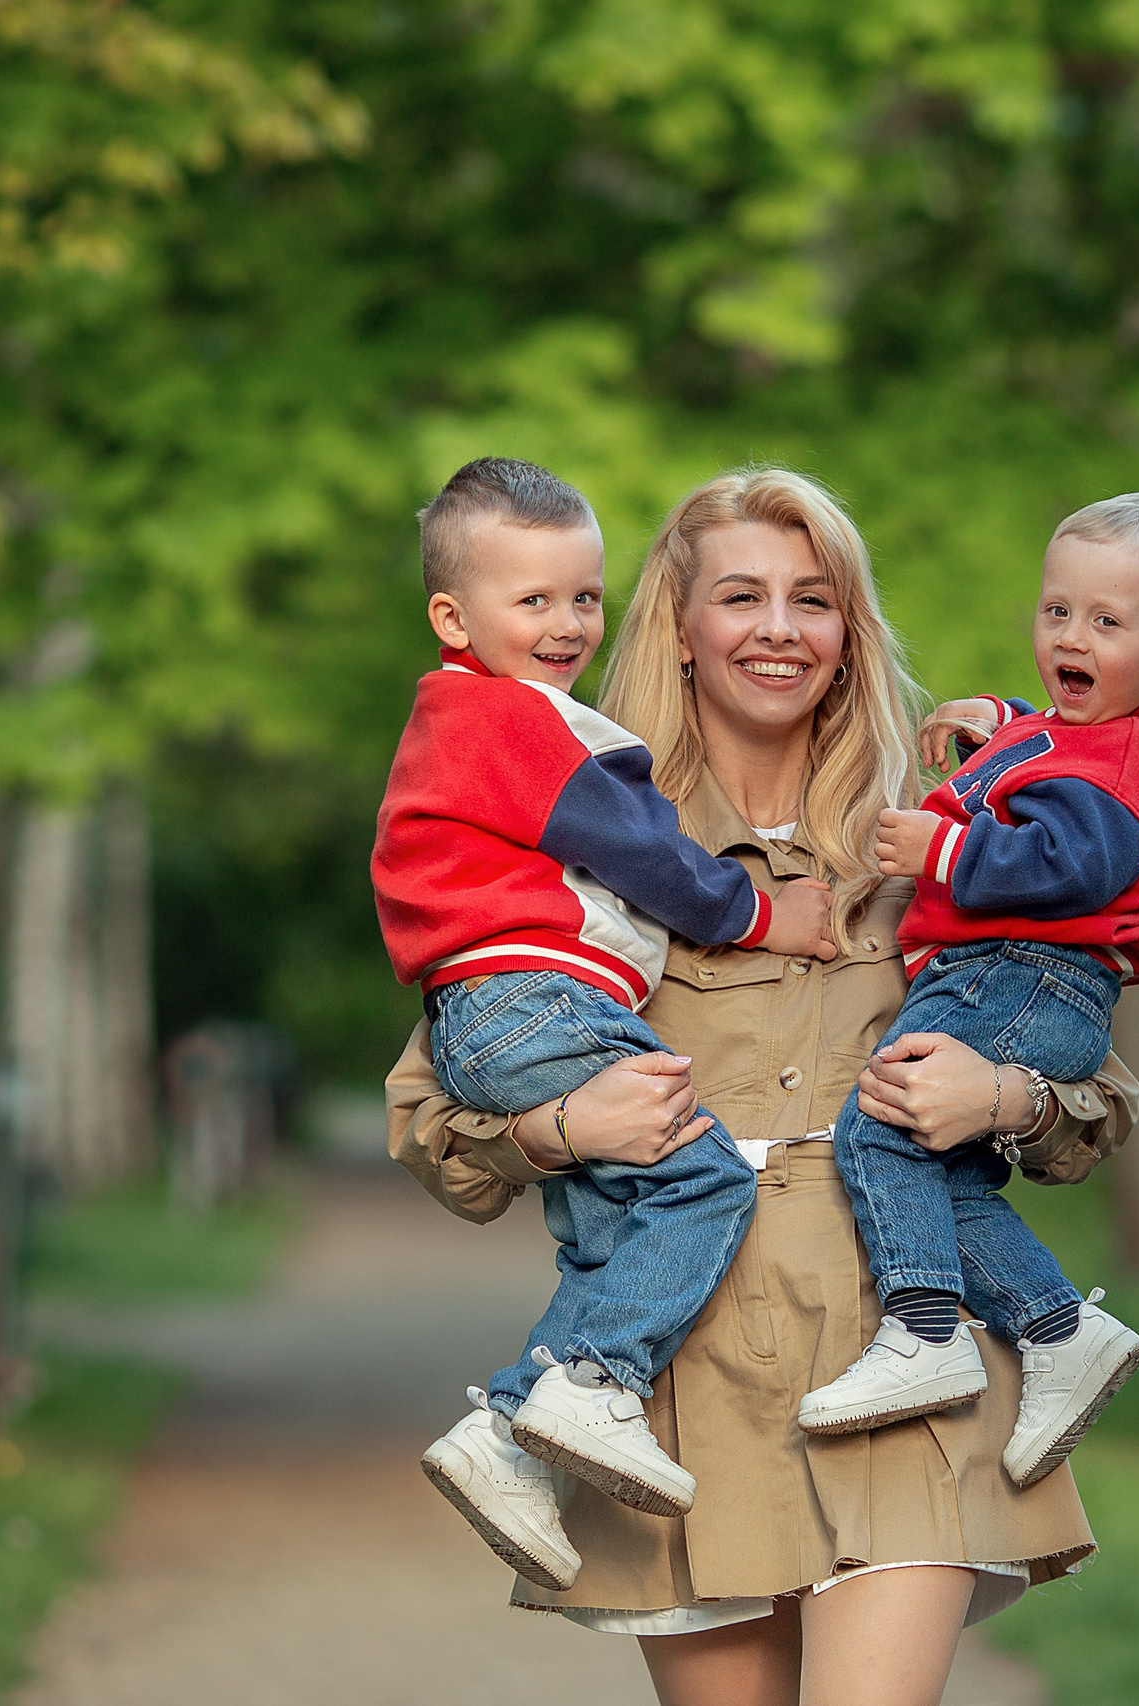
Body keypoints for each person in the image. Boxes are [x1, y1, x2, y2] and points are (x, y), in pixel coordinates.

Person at [388, 466, 1139, 1706]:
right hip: (678, 1383)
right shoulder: (577, 829)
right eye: (742, 596)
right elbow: (433, 1121)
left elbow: (1091, 1094)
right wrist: (565, 1124)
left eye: (815, 599)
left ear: (850, 634)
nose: (780, 630)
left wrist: (999, 1099)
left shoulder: (942, 838)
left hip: (907, 1358)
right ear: (679, 627)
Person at [373, 457, 839, 1590]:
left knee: (601, 1236)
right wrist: (761, 913)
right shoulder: (530, 725)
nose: (568, 622)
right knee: (703, 1175)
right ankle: (579, 1390)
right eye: (532, 600)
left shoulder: (469, 717)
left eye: (583, 596)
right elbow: (645, 856)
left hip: (498, 998)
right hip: (531, 994)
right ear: (453, 615)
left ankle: (513, 1433)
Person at [799, 493, 1139, 1494]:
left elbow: (1077, 862)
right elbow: (1052, 759)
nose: (1070, 637)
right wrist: (1001, 724)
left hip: (1025, 972)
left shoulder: (1129, 757)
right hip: (1015, 977)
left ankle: (924, 1331)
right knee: (936, 1173)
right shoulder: (1091, 733)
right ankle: (1056, 1328)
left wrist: (946, 845)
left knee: (878, 1123)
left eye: (1108, 623)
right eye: (1056, 612)